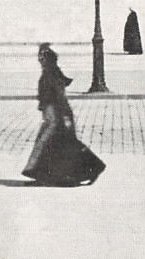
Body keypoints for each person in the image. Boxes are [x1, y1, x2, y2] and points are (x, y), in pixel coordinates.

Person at [22, 44, 105, 186]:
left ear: (48, 60)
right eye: (39, 58)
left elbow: (58, 96)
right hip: (55, 114)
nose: (40, 61)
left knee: (54, 144)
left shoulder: (51, 74)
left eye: (42, 58)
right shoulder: (51, 72)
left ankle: (91, 169)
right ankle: (47, 176)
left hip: (57, 115)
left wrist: (61, 116)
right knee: (56, 144)